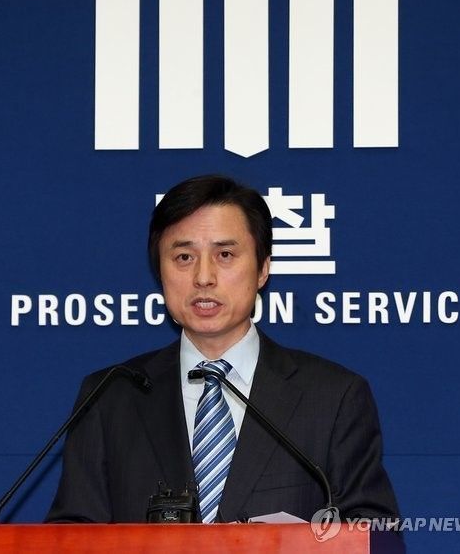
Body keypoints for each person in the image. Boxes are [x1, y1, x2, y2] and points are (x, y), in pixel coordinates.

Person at [46, 175, 399, 523]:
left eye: (225, 254)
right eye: (184, 257)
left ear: (263, 269)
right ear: (159, 271)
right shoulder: (110, 397)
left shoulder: (333, 398)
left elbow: (373, 533)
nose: (204, 277)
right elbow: (71, 536)